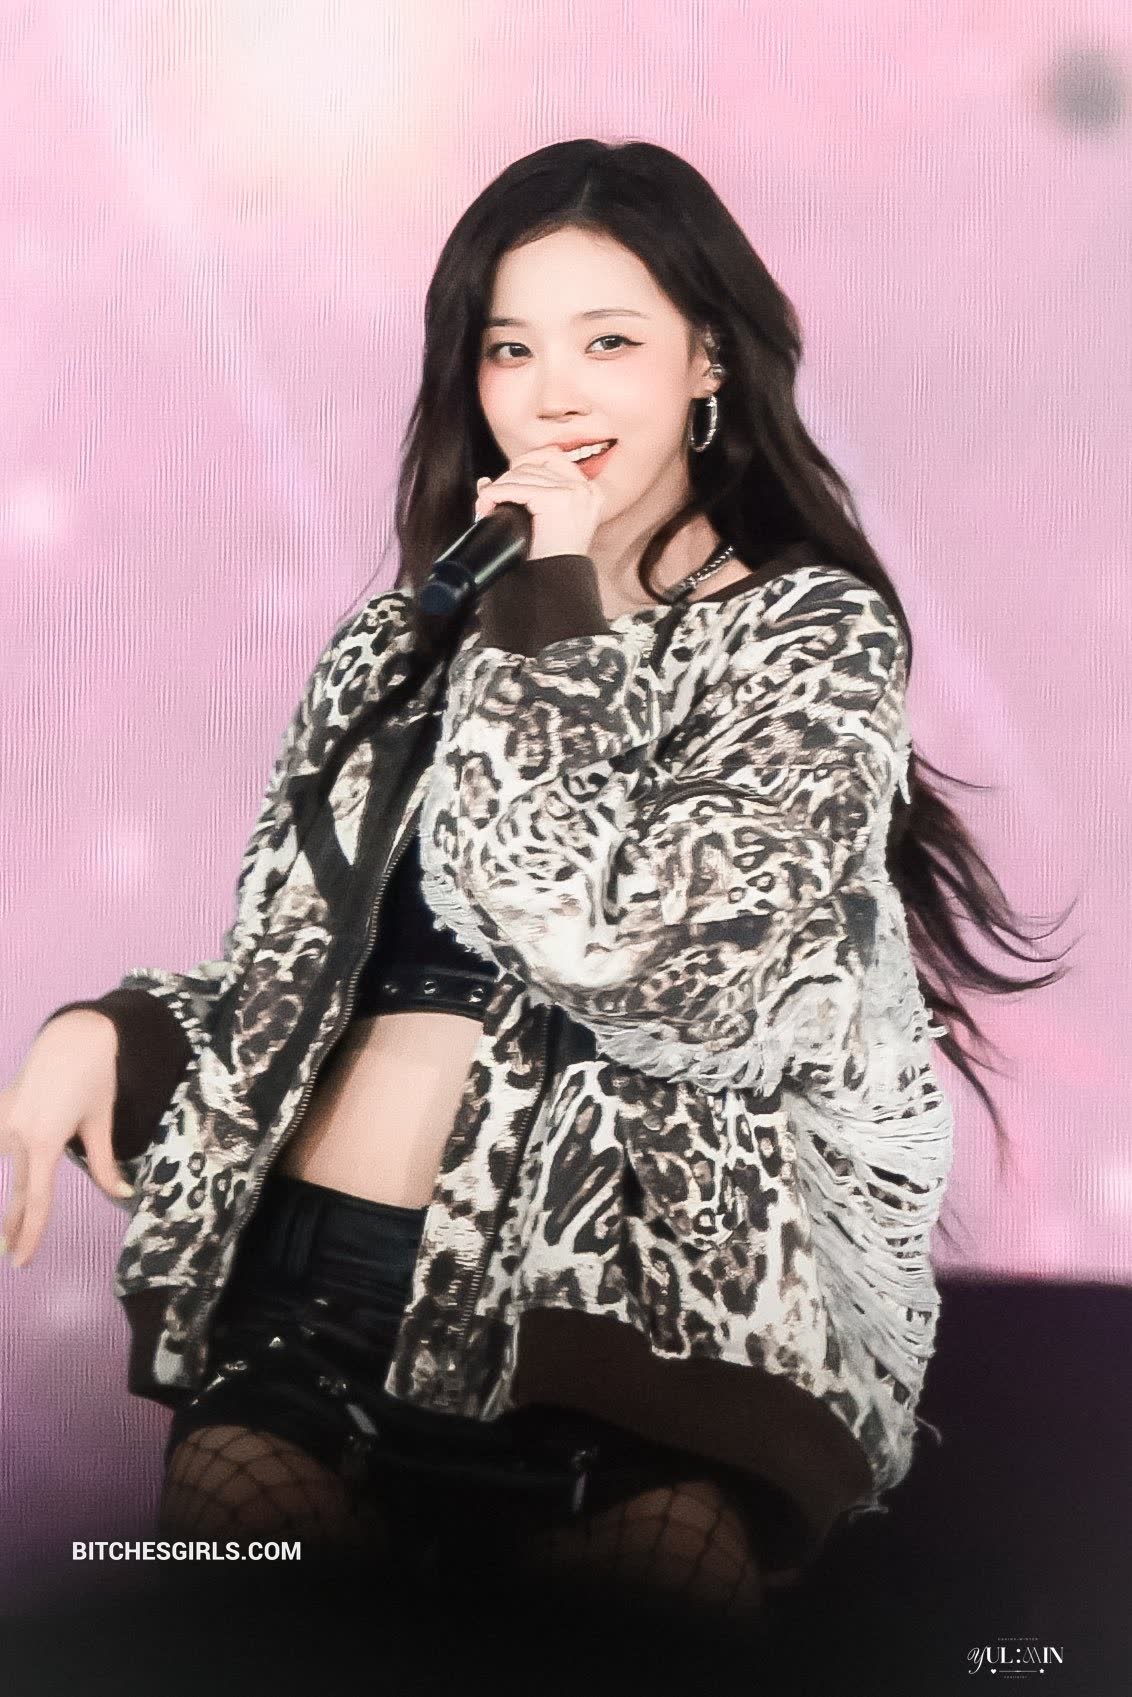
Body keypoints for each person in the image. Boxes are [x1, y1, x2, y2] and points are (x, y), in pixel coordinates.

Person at [0, 138, 1070, 1640]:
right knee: (228, 1636)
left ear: (708, 361)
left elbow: (625, 954)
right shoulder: (403, 640)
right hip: (310, 1307)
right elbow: (302, 971)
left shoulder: (809, 640)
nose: (554, 393)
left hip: (634, 1341)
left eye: (609, 342)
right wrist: (121, 1033)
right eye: (511, 348)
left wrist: (549, 613)